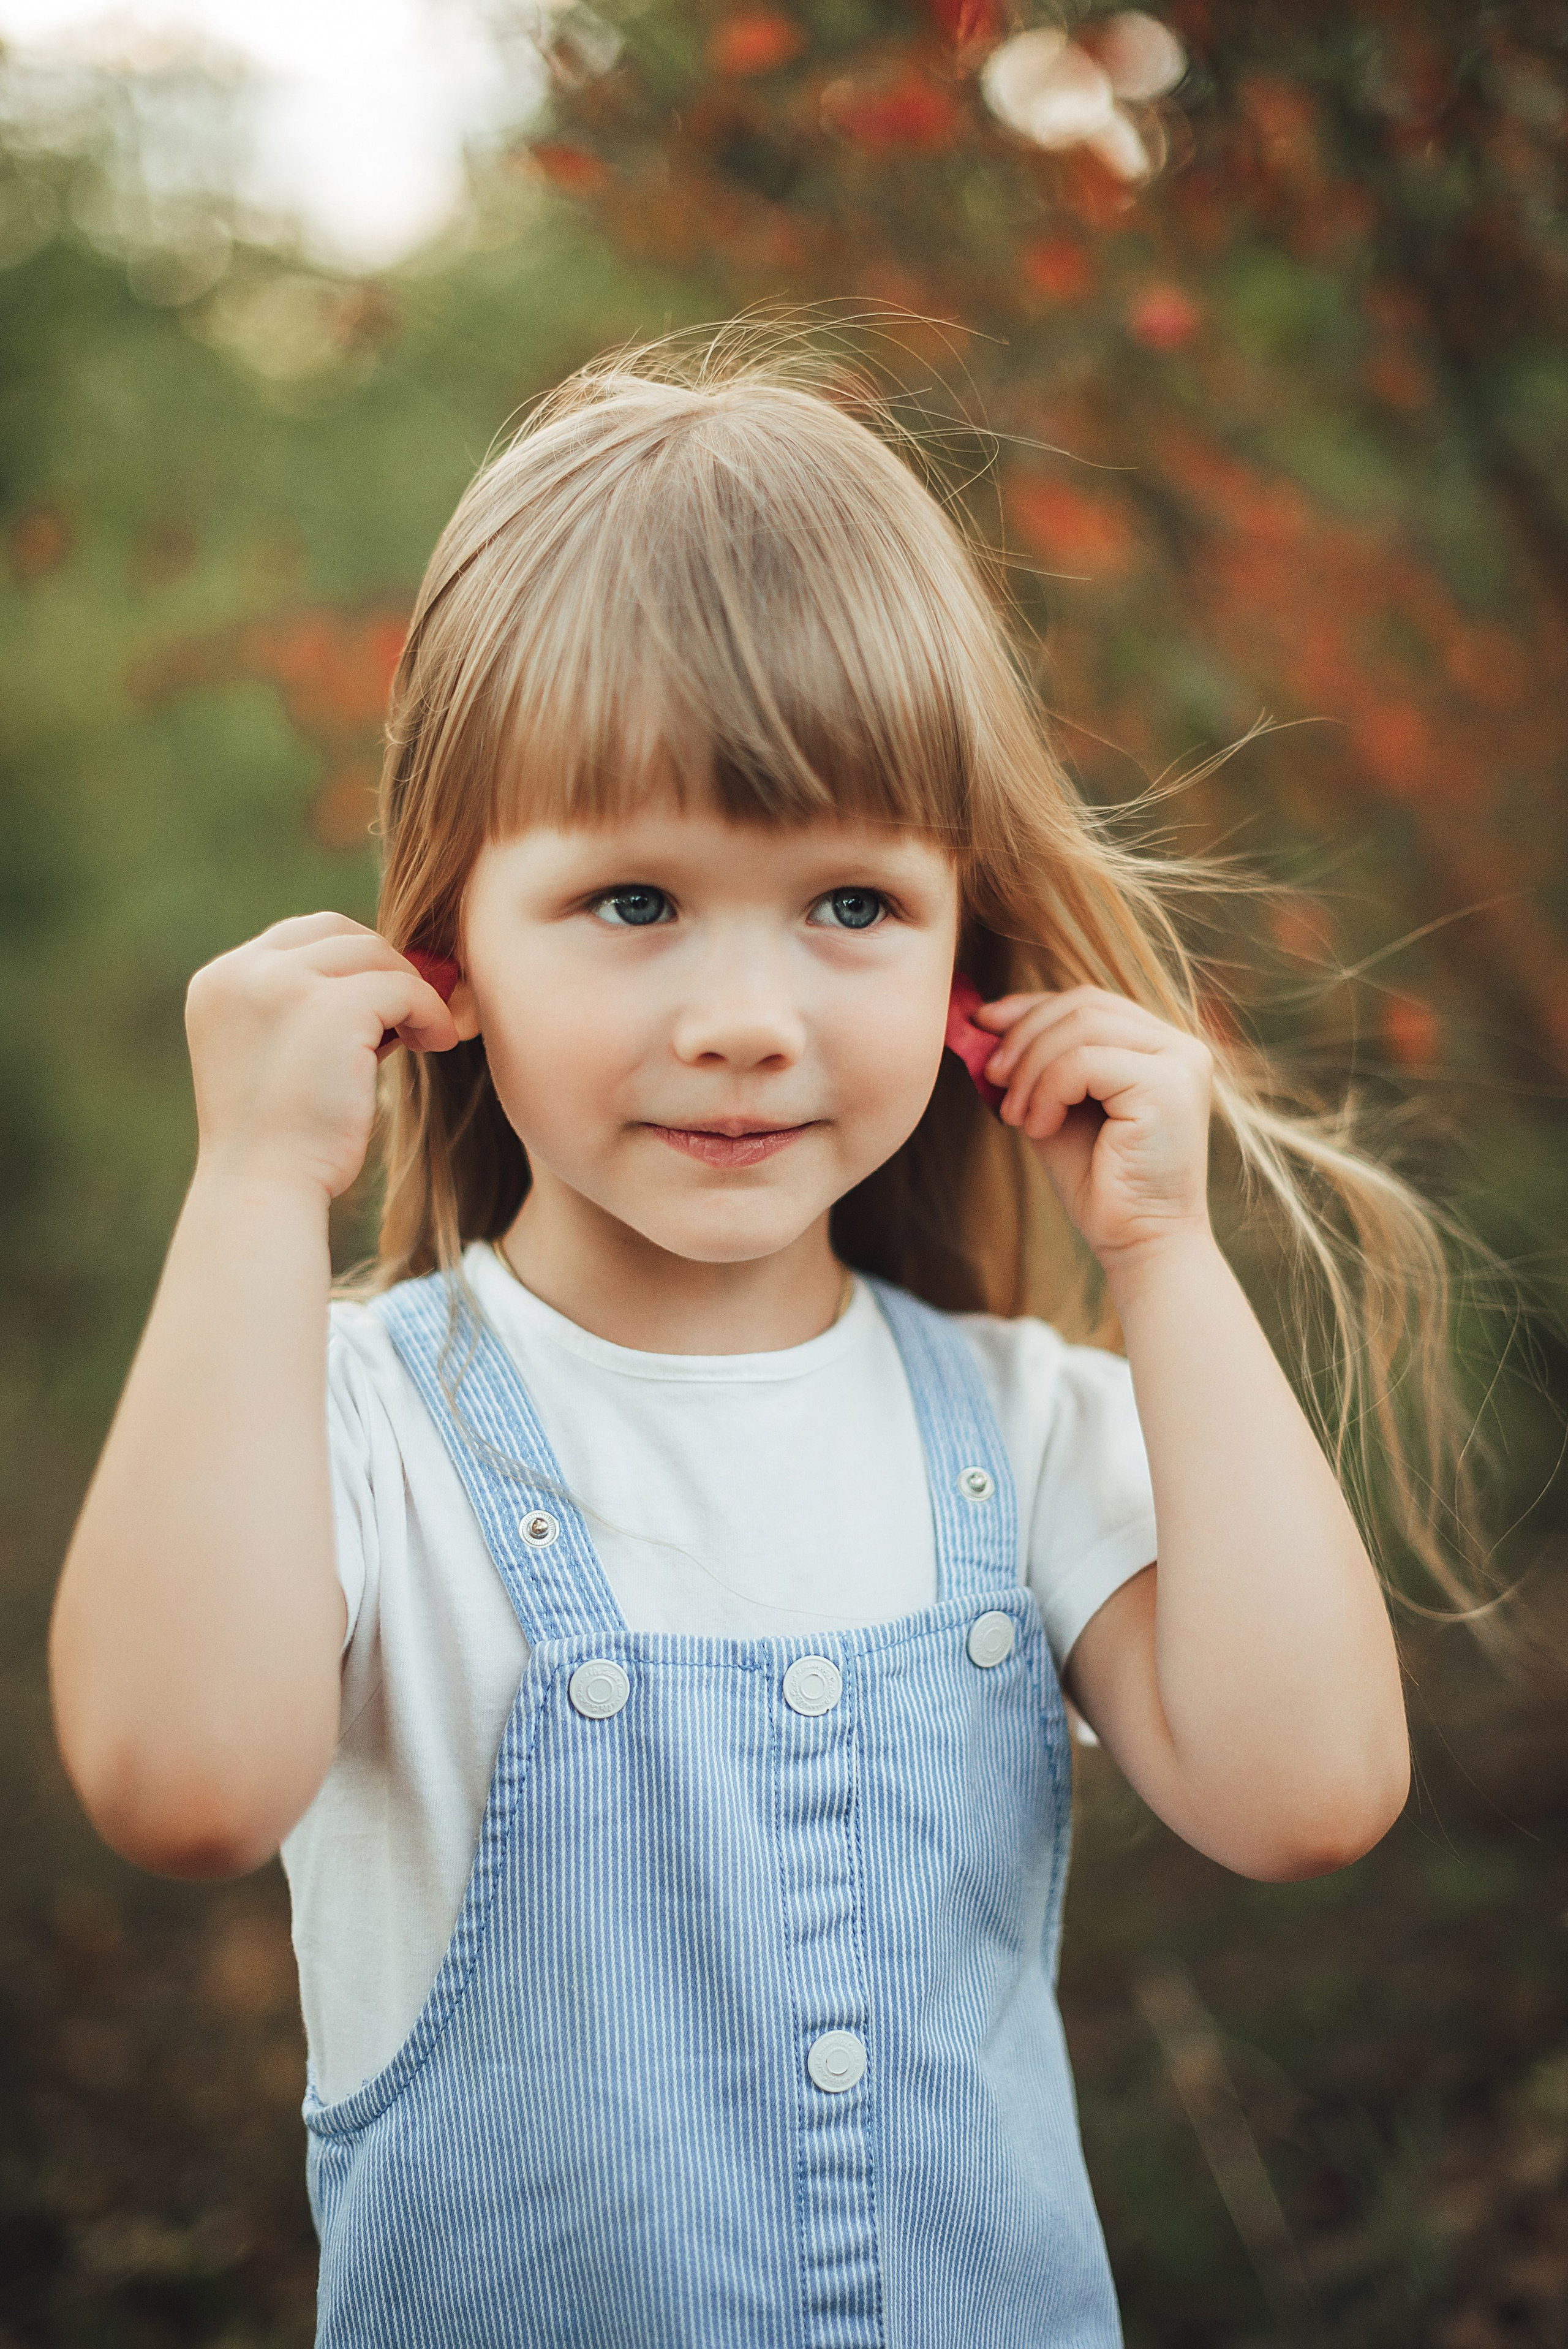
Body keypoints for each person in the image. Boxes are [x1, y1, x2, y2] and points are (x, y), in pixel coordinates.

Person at [50, 329, 1473, 2347]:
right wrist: (254, 1193)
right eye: (634, 900)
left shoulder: (1026, 1421)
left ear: (962, 934)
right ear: (443, 944)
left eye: (850, 905)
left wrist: (1167, 1254)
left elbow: (1308, 1787)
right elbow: (178, 1779)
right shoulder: (349, 1424)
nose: (746, 1012)